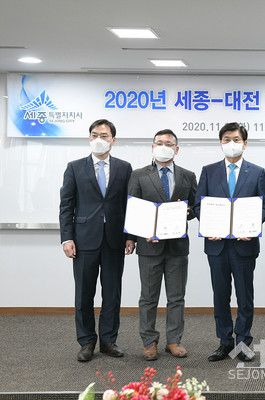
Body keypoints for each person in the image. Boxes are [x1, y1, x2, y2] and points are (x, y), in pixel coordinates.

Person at [194, 122, 265, 362]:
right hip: (217, 246)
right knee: (220, 295)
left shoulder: (257, 172)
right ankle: (225, 341)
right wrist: (209, 226)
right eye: (226, 139)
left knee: (245, 296)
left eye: (236, 140)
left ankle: (243, 342)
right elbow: (198, 205)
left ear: (244, 144)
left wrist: (252, 227)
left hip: (244, 244)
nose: (231, 144)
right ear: (220, 143)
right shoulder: (208, 171)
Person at [59, 119, 133, 362]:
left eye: (104, 135)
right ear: (89, 138)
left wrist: (130, 237)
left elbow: (129, 205)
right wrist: (67, 238)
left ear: (113, 140)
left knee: (112, 293)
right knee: (84, 293)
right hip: (83, 240)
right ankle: (87, 341)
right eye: (94, 135)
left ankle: (108, 341)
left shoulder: (124, 168)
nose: (99, 139)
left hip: (114, 240)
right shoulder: (74, 167)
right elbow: (66, 206)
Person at [125, 129, 197, 361]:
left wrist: (188, 210)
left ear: (177, 149)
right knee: (148, 297)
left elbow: (195, 207)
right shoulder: (138, 175)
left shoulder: (188, 176)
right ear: (152, 147)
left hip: (177, 247)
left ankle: (174, 340)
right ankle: (149, 342)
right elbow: (133, 209)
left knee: (176, 297)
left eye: (169, 143)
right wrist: (134, 236)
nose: (164, 146)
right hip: (149, 247)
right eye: (159, 143)